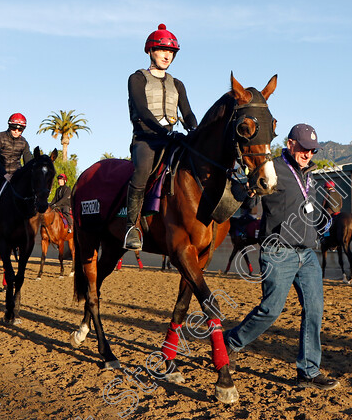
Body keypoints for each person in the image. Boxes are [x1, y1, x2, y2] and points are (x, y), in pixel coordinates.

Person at [225, 123, 340, 391]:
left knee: (314, 309)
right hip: (279, 252)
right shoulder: (273, 168)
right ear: (290, 144)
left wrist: (320, 225)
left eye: (312, 150)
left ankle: (308, 371)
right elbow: (247, 197)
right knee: (271, 310)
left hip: (307, 254)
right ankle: (231, 342)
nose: (308, 154)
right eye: (303, 148)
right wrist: (246, 188)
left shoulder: (311, 175)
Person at [124, 23, 198, 250]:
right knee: (143, 171)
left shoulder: (178, 84)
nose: (167, 55)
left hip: (172, 138)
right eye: (162, 50)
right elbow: (143, 112)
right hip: (146, 139)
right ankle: (131, 227)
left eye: (171, 52)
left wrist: (195, 130)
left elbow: (187, 113)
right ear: (150, 51)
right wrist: (164, 131)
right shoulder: (137, 78)